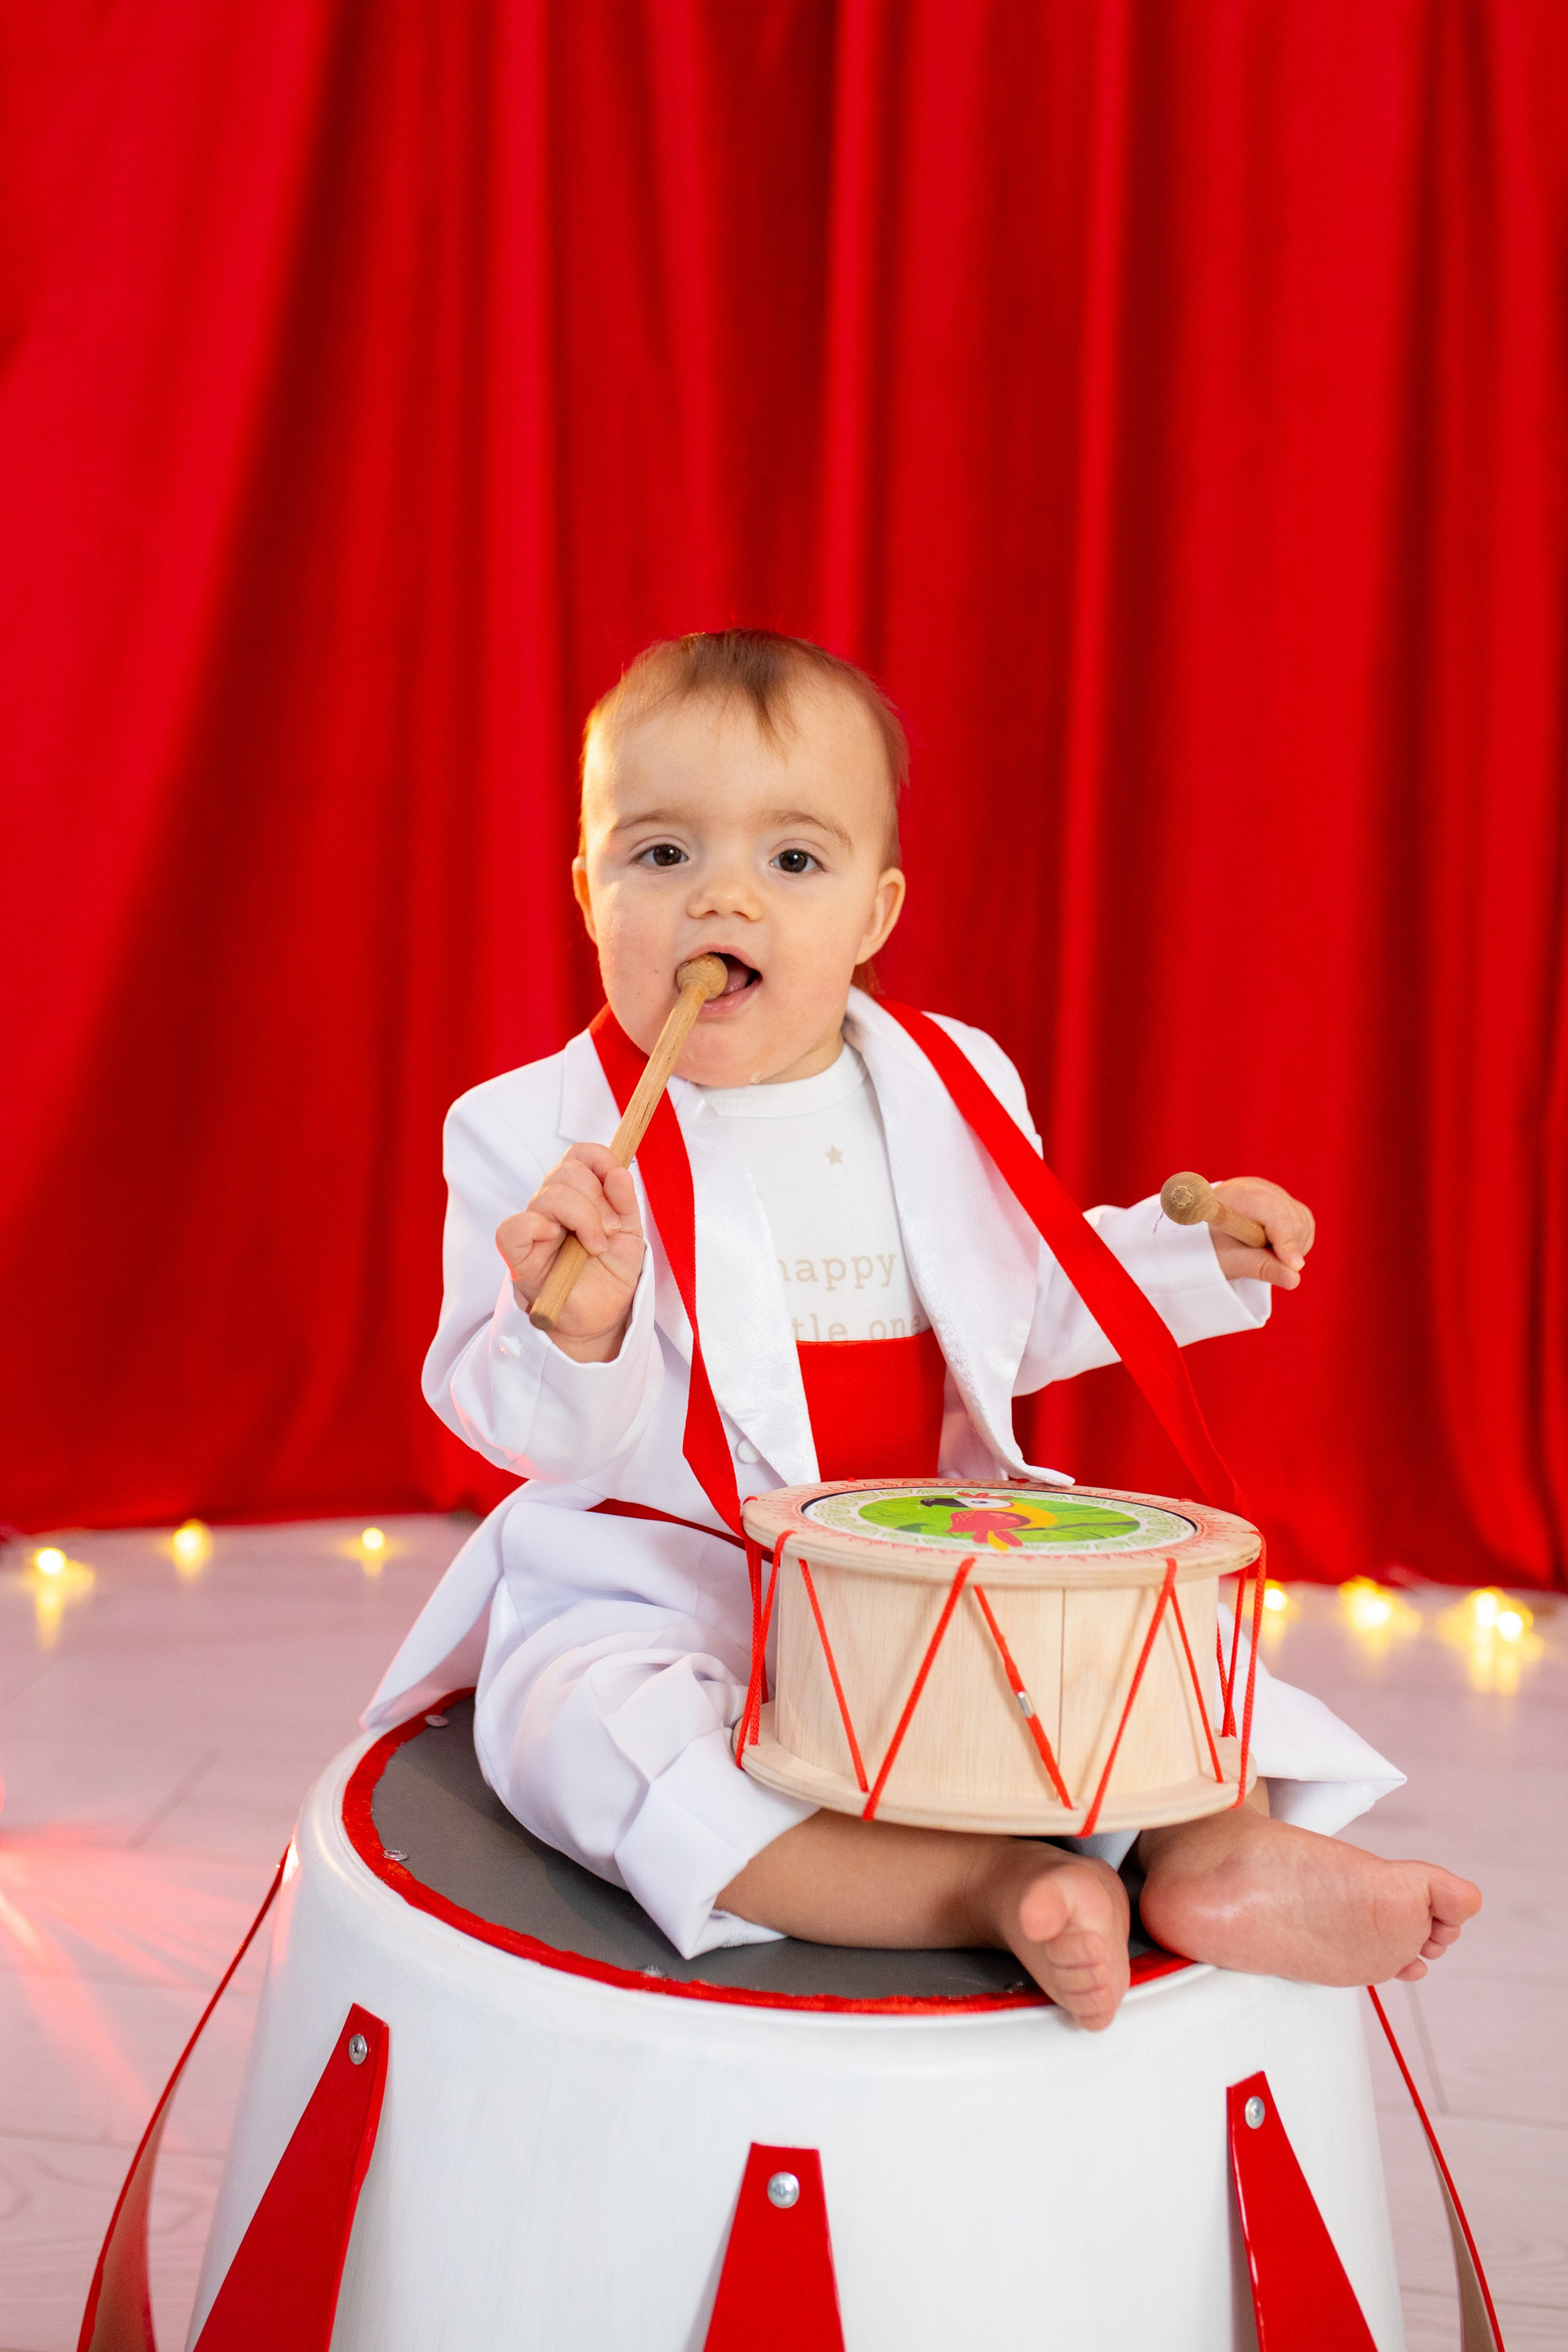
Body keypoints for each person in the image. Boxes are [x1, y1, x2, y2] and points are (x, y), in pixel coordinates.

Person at [368, 630, 1479, 2030]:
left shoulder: (958, 1079)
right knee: (592, 1738)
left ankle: (1218, 1851)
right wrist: (575, 1332)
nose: (723, 895)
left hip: (937, 1552)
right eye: (661, 855)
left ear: (874, 914)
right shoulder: (530, 1128)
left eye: (793, 859)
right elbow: (526, 1437)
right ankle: (987, 1888)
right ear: (590, 891)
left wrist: (1188, 1254)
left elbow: (1023, 1309)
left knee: (1152, 1649)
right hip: (665, 1584)